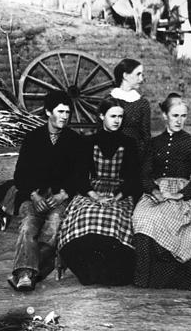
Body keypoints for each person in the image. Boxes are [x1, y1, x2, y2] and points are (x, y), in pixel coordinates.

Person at [56, 98, 142, 285]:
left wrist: (116, 196)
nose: (117, 120)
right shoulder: (88, 142)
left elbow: (134, 178)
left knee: (115, 216)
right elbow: (79, 175)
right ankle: (88, 270)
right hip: (92, 190)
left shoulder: (129, 143)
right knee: (86, 214)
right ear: (102, 116)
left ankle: (111, 272)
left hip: (120, 191)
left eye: (120, 116)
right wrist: (94, 196)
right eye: (112, 116)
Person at [131, 94, 191, 289]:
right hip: (156, 193)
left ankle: (174, 276)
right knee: (142, 218)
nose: (179, 120)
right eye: (175, 115)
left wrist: (180, 195)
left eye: (183, 116)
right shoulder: (154, 143)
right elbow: (144, 174)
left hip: (183, 195)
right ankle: (144, 278)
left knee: (169, 218)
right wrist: (154, 191)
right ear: (165, 115)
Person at [8, 90, 81, 291]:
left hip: (61, 197)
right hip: (33, 195)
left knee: (53, 227)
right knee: (28, 226)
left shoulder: (75, 140)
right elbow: (20, 175)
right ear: (49, 112)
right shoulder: (33, 139)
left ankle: (28, 272)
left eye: (68, 112)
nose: (65, 116)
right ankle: (25, 274)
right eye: (60, 111)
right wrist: (33, 194)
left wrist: (63, 194)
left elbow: (81, 175)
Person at [110, 58, 152, 159]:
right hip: (112, 156)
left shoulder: (142, 103)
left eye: (142, 75)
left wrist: (137, 156)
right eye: (138, 74)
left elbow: (146, 136)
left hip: (135, 157)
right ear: (125, 76)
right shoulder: (109, 101)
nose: (141, 79)